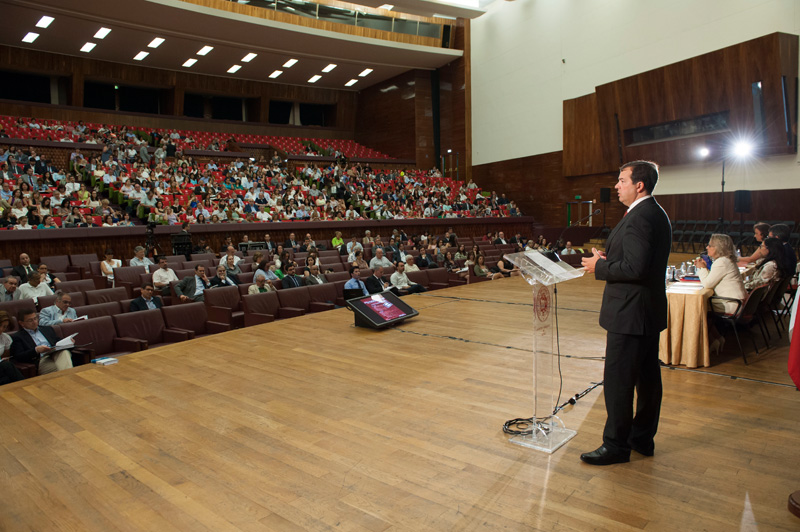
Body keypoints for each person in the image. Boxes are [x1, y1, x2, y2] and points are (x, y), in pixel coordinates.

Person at [579, 160, 672, 466]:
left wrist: (599, 266)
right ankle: (641, 438)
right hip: (645, 311)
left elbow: (636, 267)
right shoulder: (654, 212)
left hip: (630, 313)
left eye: (621, 180)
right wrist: (609, 256)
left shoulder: (640, 218)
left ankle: (616, 446)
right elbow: (637, 258)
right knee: (647, 380)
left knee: (619, 381)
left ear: (639, 185)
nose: (616, 186)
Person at [693, 234, 747, 314]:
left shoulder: (722, 262)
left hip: (730, 304)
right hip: (734, 302)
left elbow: (707, 284)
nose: (707, 247)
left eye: (710, 246)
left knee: (695, 304)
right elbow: (712, 278)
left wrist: (702, 268)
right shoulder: (726, 260)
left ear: (718, 248)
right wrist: (704, 267)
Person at [11, 309, 73, 375]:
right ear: (21, 323)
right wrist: (36, 350)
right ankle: (71, 378)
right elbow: (19, 356)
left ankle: (69, 379)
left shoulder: (47, 329)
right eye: (30, 320)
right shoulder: (18, 337)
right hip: (40, 360)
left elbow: (57, 341)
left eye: (35, 318)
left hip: (55, 353)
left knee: (64, 352)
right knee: (60, 369)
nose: (34, 322)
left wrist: (67, 341)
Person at [0, 311, 25, 385]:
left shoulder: (5, 338)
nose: (1, 329)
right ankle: (26, 386)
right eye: (0, 325)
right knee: (7, 367)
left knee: (6, 377)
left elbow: (5, 357)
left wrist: (4, 360)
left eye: (4, 327)